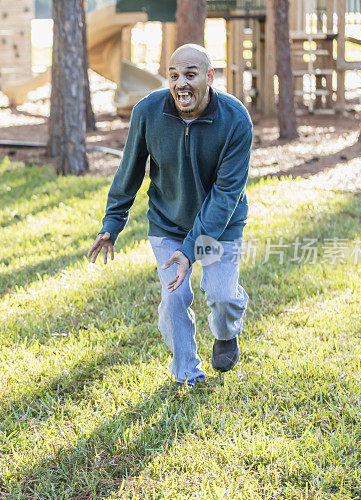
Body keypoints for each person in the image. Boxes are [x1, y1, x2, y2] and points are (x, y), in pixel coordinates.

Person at [87, 44, 251, 387]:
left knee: (221, 296)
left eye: (191, 75)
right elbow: (129, 171)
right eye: (174, 75)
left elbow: (225, 196)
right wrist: (112, 223)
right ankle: (187, 374)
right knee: (175, 298)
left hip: (220, 228)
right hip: (168, 223)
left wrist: (191, 250)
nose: (181, 84)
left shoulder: (235, 119)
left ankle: (225, 331)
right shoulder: (147, 112)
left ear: (209, 77)